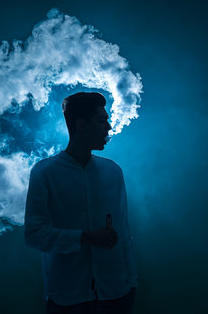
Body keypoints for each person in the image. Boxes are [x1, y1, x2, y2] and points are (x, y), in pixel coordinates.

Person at [24, 92, 138, 314]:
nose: (108, 127)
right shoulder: (45, 173)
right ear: (81, 125)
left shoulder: (113, 171)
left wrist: (131, 283)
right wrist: (86, 237)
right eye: (102, 120)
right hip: (69, 297)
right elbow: (34, 234)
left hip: (116, 293)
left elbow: (124, 231)